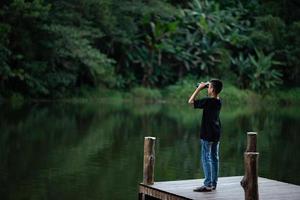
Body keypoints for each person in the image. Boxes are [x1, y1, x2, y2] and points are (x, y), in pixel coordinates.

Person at [188, 79, 223, 192]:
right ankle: (213, 183)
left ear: (212, 89)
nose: (207, 88)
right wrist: (208, 86)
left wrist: (199, 88)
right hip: (216, 133)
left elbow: (191, 101)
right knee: (214, 158)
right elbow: (215, 93)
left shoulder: (208, 101)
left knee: (205, 157)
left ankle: (207, 184)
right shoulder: (218, 101)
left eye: (209, 87)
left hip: (207, 133)